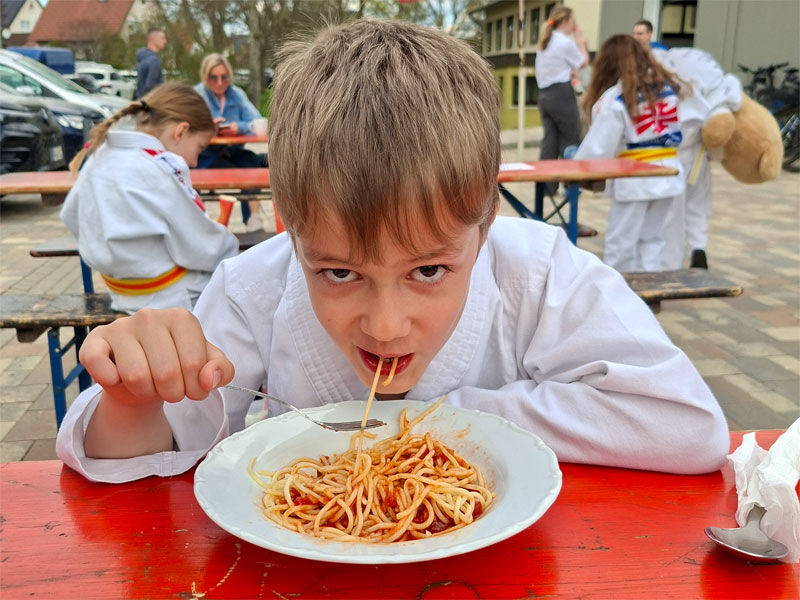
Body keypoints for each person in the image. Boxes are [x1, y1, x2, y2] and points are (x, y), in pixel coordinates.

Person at [55, 19, 728, 483]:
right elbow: (138, 456)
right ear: (287, 225)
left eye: (429, 269)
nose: (384, 324)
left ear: (487, 220)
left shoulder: (540, 273)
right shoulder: (253, 287)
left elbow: (685, 425)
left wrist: (443, 422)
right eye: (339, 272)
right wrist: (135, 398)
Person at [61, 82, 239, 315]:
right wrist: (232, 250)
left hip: (122, 295)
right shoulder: (160, 167)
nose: (195, 162)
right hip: (174, 300)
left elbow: (70, 216)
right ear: (181, 131)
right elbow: (200, 246)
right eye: (199, 147)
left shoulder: (100, 156)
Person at [573, 34, 706, 272]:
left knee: (621, 243)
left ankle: (621, 298)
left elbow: (599, 146)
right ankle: (650, 295)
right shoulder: (672, 87)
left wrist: (578, 168)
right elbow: (697, 118)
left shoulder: (618, 96)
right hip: (669, 171)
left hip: (634, 176)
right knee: (652, 240)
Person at [632, 28, 742, 270]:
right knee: (696, 202)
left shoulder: (659, 81)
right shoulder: (696, 72)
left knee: (670, 213)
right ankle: (698, 247)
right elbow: (725, 96)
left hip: (670, 155)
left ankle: (665, 264)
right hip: (695, 149)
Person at [194, 53, 266, 232]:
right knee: (248, 167)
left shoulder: (236, 94)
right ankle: (201, 223)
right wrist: (208, 127)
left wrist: (238, 128)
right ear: (205, 77)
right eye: (213, 77)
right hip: (205, 154)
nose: (220, 82)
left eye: (224, 77)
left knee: (250, 161)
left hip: (232, 150)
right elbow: (185, 126)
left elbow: (256, 121)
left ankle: (253, 220)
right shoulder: (197, 95)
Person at [534, 5, 589, 193]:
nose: (575, 25)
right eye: (573, 22)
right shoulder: (564, 42)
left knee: (550, 139)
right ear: (565, 22)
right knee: (571, 136)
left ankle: (546, 187)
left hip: (544, 95)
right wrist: (580, 38)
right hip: (561, 94)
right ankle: (570, 186)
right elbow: (583, 62)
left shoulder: (545, 41)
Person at [135, 28, 166, 99]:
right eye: (162, 38)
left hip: (140, 100)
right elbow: (150, 86)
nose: (165, 41)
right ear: (152, 39)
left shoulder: (142, 58)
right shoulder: (154, 61)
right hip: (150, 103)